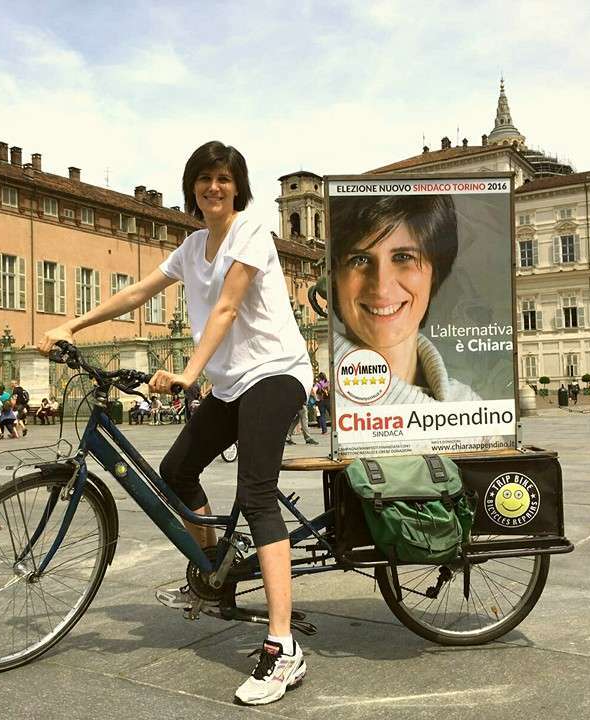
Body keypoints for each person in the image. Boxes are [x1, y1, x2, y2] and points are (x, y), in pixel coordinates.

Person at [37, 141, 312, 705]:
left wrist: (188, 372)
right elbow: (139, 291)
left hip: (277, 374)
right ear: (192, 187)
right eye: (204, 179)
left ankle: (283, 648)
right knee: (177, 469)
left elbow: (229, 307)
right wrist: (73, 324)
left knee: (255, 493)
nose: (214, 187)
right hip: (234, 382)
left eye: (224, 178)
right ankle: (215, 570)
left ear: (238, 186)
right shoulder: (191, 247)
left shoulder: (251, 232)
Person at [329, 193, 479, 409]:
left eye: (403, 257)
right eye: (359, 260)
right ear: (334, 276)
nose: (381, 288)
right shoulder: (322, 397)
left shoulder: (468, 403)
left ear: (435, 271)